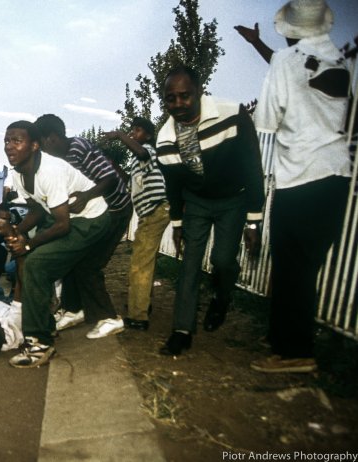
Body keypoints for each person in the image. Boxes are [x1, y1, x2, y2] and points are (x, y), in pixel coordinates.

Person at [239, 0, 352, 373]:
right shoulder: (343, 62)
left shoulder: (285, 64)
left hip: (300, 178)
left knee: (291, 268)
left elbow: (267, 119)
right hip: (337, 177)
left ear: (289, 29)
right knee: (302, 267)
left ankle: (296, 353)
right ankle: (283, 339)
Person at [156, 65, 265, 356]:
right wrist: (177, 223)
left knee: (223, 260)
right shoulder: (165, 140)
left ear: (199, 92)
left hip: (234, 199)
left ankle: (222, 294)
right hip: (198, 202)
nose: (178, 104)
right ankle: (181, 331)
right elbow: (174, 186)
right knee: (189, 264)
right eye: (170, 98)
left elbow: (253, 165)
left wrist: (254, 222)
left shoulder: (232, 114)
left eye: (185, 96)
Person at [3, 120, 112, 368]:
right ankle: (46, 328)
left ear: (34, 145)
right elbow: (38, 210)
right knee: (35, 263)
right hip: (70, 219)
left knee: (36, 264)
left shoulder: (49, 170)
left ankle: (40, 342)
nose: (9, 146)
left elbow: (62, 225)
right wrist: (18, 232)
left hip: (90, 220)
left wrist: (28, 245)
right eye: (6, 141)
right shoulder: (19, 172)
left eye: (16, 141)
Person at [34, 114, 132, 340]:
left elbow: (110, 178)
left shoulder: (78, 148)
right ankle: (74, 309)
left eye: (43, 145)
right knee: (72, 256)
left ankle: (109, 318)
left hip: (115, 211)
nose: (42, 152)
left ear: (53, 139)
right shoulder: (58, 161)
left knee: (89, 265)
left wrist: (86, 196)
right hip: (95, 213)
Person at [105, 117, 170, 331]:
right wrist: (115, 168)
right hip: (149, 213)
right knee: (144, 261)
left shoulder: (149, 150)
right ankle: (143, 305)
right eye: (132, 130)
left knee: (139, 264)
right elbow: (130, 183)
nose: (133, 133)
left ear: (149, 136)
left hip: (155, 210)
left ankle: (138, 316)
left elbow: (141, 152)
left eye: (138, 130)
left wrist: (119, 135)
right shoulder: (137, 161)